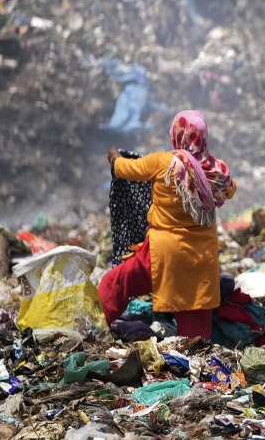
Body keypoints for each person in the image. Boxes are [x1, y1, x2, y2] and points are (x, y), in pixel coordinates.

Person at [98, 110, 236, 340]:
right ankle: (196, 362)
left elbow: (126, 170)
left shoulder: (164, 163)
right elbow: (231, 189)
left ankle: (95, 327)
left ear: (177, 135)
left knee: (116, 283)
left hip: (163, 254)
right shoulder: (217, 170)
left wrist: (114, 157)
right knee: (195, 325)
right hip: (201, 258)